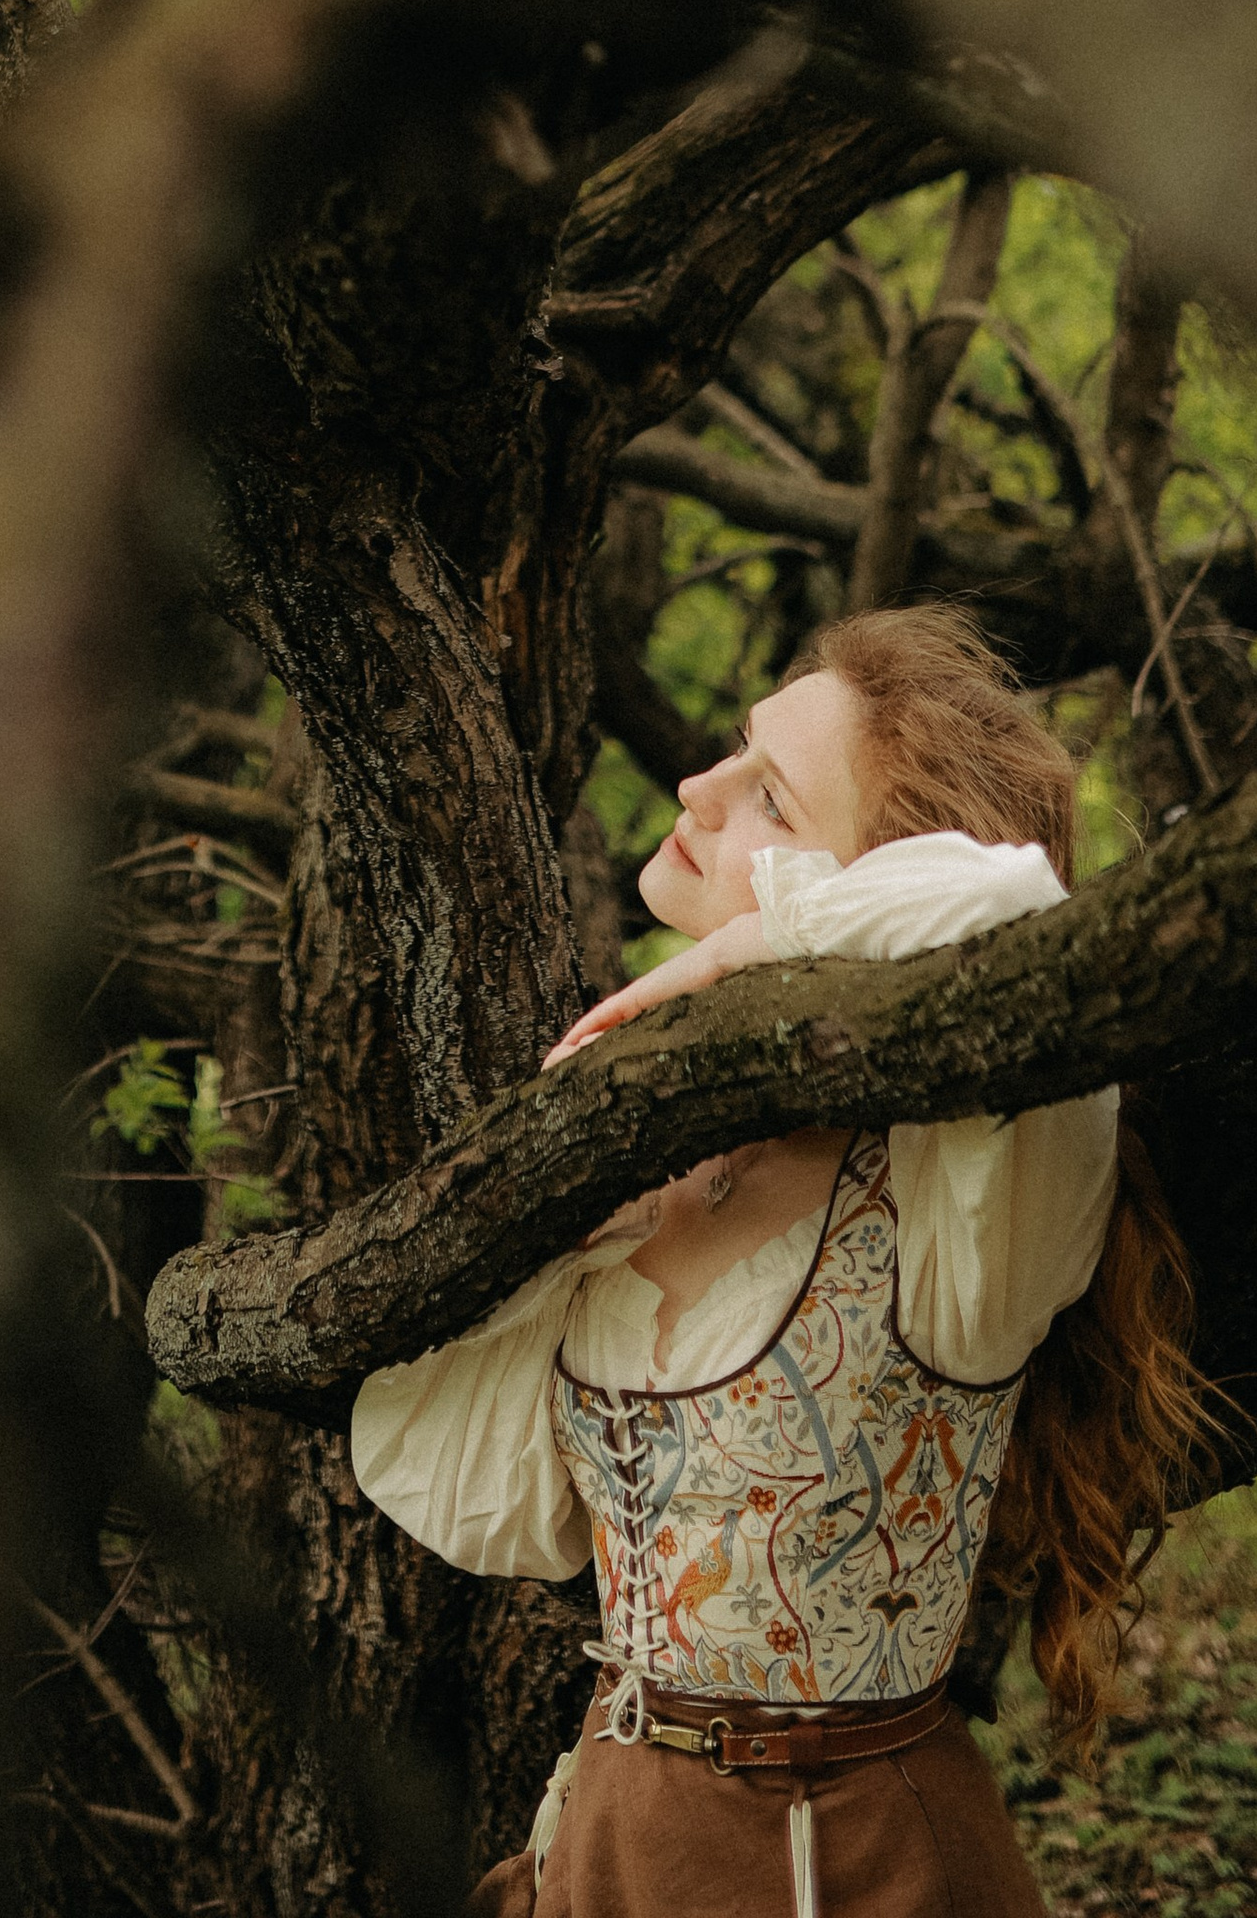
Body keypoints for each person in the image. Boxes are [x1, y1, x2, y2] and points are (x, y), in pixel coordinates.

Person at [350, 602, 1204, 1917]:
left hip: (842, 1863)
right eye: (736, 753)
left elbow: (1017, 909)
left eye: (772, 798)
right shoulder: (640, 1158)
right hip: (609, 1838)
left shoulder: (962, 1201)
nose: (697, 789)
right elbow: (486, 1500)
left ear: (865, 884)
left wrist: (760, 946)